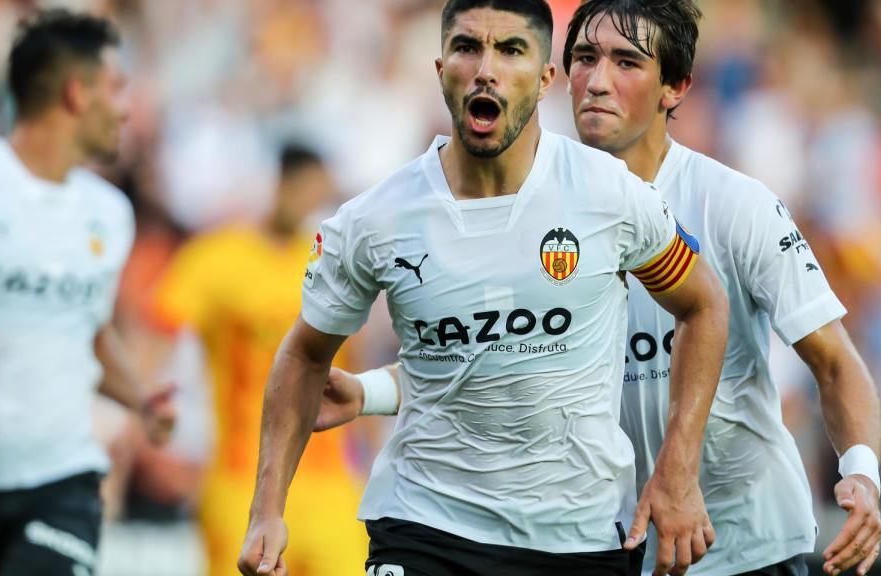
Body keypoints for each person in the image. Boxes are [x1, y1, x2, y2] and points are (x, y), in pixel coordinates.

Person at [321, 1, 881, 575]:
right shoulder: (534, 202)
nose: (596, 81)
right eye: (585, 59)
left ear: (676, 86)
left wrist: (860, 472)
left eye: (626, 63)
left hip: (744, 545)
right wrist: (368, 393)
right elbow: (498, 354)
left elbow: (835, 363)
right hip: (611, 545)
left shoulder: (737, 206)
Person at [237, 1, 730, 575]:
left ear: (547, 77)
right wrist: (267, 510)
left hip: (579, 537)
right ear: (442, 67)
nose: (486, 69)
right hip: (424, 528)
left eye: (511, 50)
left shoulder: (609, 194)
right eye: (469, 48)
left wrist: (678, 463)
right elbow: (305, 353)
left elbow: (703, 304)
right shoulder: (375, 220)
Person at [0, 10, 173, 576]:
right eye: (117, 89)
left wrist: (140, 398)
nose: (127, 108)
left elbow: (86, 331)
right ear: (76, 93)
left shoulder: (108, 213)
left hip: (61, 480)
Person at [151, 143, 370, 576]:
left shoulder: (329, 257)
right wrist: (149, 413)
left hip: (330, 482)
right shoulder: (216, 257)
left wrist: (374, 454)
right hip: (242, 478)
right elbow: (158, 330)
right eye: (303, 189)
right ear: (279, 184)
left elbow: (354, 362)